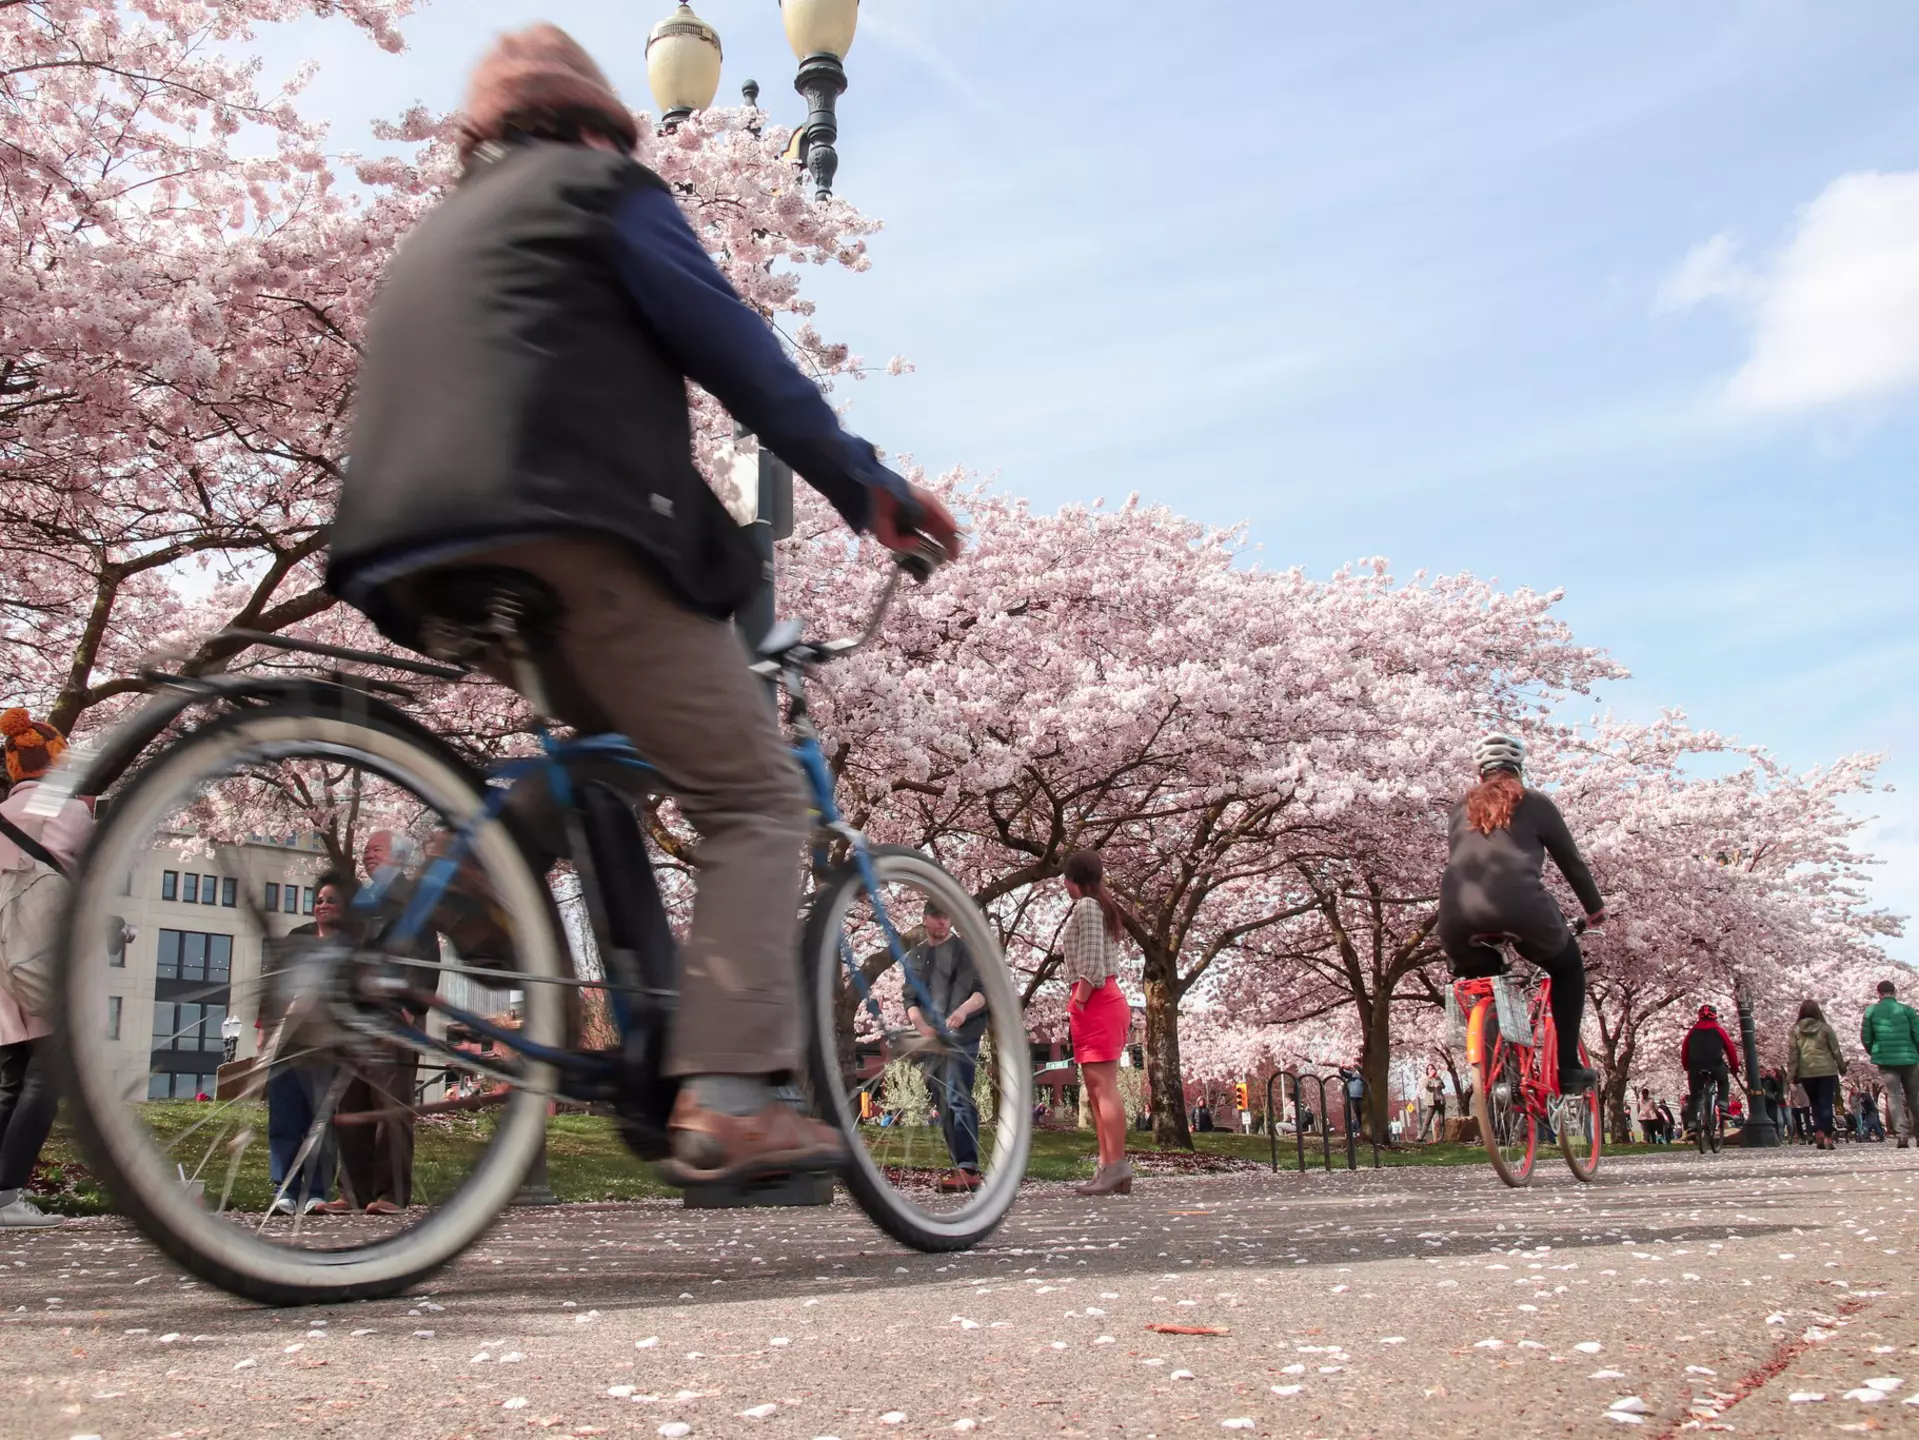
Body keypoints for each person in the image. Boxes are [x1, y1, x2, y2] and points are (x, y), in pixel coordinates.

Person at [324, 25, 961, 1188]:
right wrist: (861, 481)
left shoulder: (439, 232)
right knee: (757, 798)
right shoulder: (601, 186)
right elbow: (739, 352)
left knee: (606, 753)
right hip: (572, 526)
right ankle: (727, 1099)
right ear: (589, 123)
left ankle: (457, 873)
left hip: (406, 549)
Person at [1437, 734, 1605, 1094]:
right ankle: (1569, 1069)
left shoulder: (1458, 809)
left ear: (1481, 773)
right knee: (1567, 967)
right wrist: (1595, 908)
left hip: (1455, 917)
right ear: (1519, 770)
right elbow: (1571, 863)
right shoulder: (1535, 802)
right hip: (1522, 909)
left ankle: (1499, 1076)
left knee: (1484, 980)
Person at [0, 707, 93, 1229]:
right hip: (52, 956)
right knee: (44, 1078)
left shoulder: (3, 813)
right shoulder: (70, 809)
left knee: (13, 1079)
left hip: (5, 961)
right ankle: (8, 1193)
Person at [331, 831, 438, 1213]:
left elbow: (427, 951)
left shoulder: (412, 897)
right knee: (350, 1104)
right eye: (366, 850)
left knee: (391, 1106)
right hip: (354, 1014)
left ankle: (391, 1194)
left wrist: (412, 1007)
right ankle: (354, 1193)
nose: (367, 855)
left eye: (376, 849)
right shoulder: (361, 901)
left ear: (399, 857)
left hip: (394, 1013)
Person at [264, 877, 348, 1213]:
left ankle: (316, 1189)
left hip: (327, 1043)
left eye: (332, 900)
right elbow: (272, 985)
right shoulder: (297, 938)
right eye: (320, 899)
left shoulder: (350, 946)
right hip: (288, 1039)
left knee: (320, 1119)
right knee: (284, 1115)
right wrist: (266, 1030)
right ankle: (283, 1188)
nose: (323, 905)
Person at [902, 899, 988, 1194]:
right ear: (925, 919)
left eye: (946, 917)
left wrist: (962, 1011)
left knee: (956, 1092)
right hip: (933, 1037)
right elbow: (910, 1000)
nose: (942, 922)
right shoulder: (914, 956)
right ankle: (960, 1164)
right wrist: (921, 1027)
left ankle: (968, 1166)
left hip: (964, 1032)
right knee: (940, 1097)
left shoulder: (966, 951)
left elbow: (982, 992)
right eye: (936, 917)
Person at [1060, 849, 1131, 1196]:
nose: (1063, 883)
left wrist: (1079, 1000)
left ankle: (1115, 1165)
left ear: (1075, 878)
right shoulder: (1097, 906)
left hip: (1097, 1001)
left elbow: (1091, 964)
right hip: (1098, 1001)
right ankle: (1108, 1167)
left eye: (1066, 877)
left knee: (1103, 1087)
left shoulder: (1087, 906)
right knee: (1096, 1087)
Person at [1860, 979, 1919, 1150]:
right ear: (1895, 992)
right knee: (1914, 1096)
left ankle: (1902, 1135)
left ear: (1878, 993)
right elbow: (1917, 1033)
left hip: (1886, 1060)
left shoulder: (1871, 1011)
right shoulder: (1907, 1010)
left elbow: (1866, 1037)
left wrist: (1875, 1051)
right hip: (1910, 1059)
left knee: (1893, 1096)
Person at [1786, 999, 1847, 1150]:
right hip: (1827, 1070)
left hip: (1807, 1072)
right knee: (1826, 1102)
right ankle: (1827, 1137)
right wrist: (1842, 1066)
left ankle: (1819, 1132)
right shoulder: (1825, 1028)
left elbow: (1793, 1054)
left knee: (1814, 1103)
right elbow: (1835, 1050)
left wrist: (1792, 1074)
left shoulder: (1796, 1030)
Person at [1680, 1003, 1740, 1136]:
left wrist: (1686, 1066)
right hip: (1715, 1065)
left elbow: (1685, 1050)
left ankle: (1692, 1125)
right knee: (1724, 1081)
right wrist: (1734, 1068)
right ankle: (1723, 1106)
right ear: (1715, 1016)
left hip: (1695, 1067)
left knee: (1695, 1095)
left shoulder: (1692, 1031)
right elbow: (1730, 1050)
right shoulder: (1718, 1030)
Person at [1421, 1062, 1447, 1142]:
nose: (1432, 1070)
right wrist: (1429, 1077)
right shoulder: (1426, 1079)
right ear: (1427, 1071)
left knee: (1442, 1121)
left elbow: (1443, 1085)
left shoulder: (1438, 1078)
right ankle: (1421, 1137)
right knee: (1427, 1121)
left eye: (1433, 1068)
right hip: (1431, 1103)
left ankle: (1441, 1138)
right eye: (1430, 1069)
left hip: (1440, 1101)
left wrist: (1439, 1085)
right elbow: (1425, 1086)